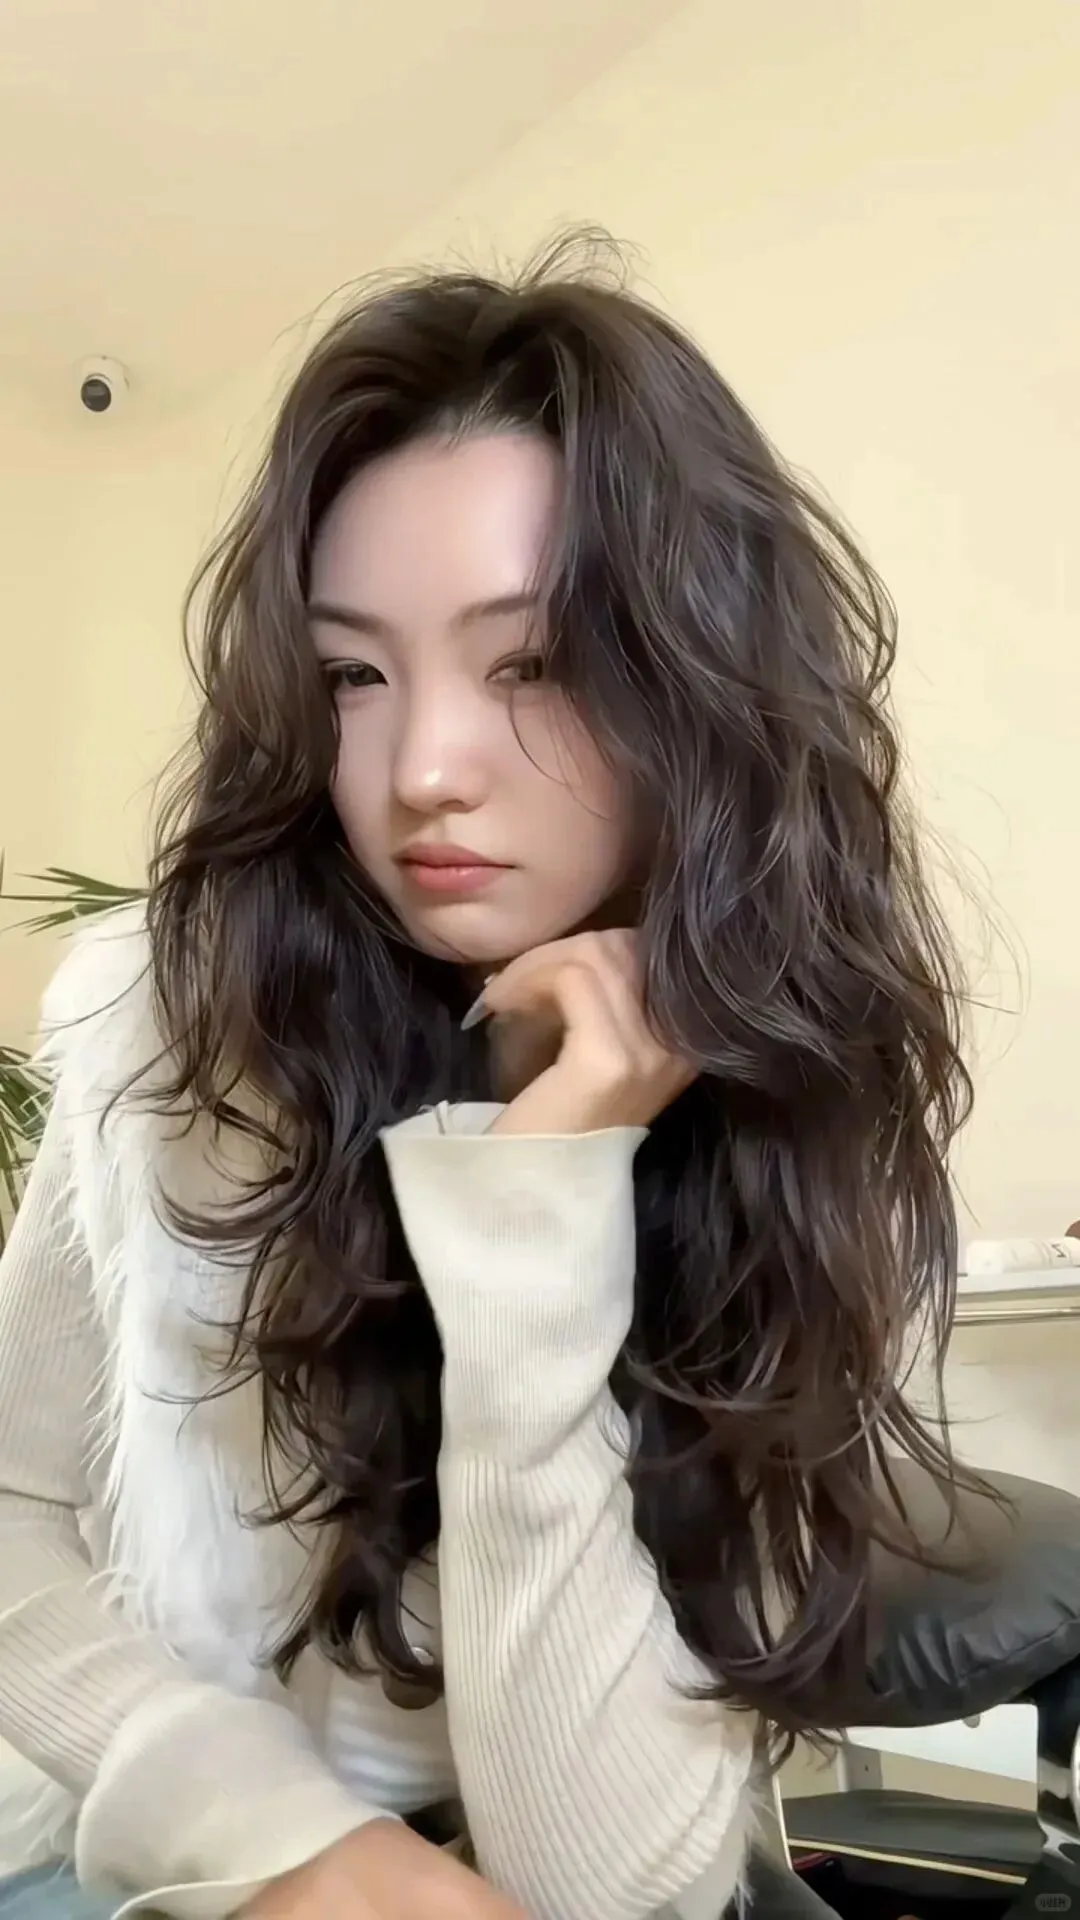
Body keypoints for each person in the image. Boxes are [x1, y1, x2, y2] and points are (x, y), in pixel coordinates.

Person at [0, 237, 971, 1920]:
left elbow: (602, 1887)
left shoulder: (795, 1093)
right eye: (354, 675)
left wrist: (542, 1190)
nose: (423, 771)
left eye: (531, 663)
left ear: (701, 678)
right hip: (148, 1844)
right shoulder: (167, 1025)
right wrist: (275, 1838)